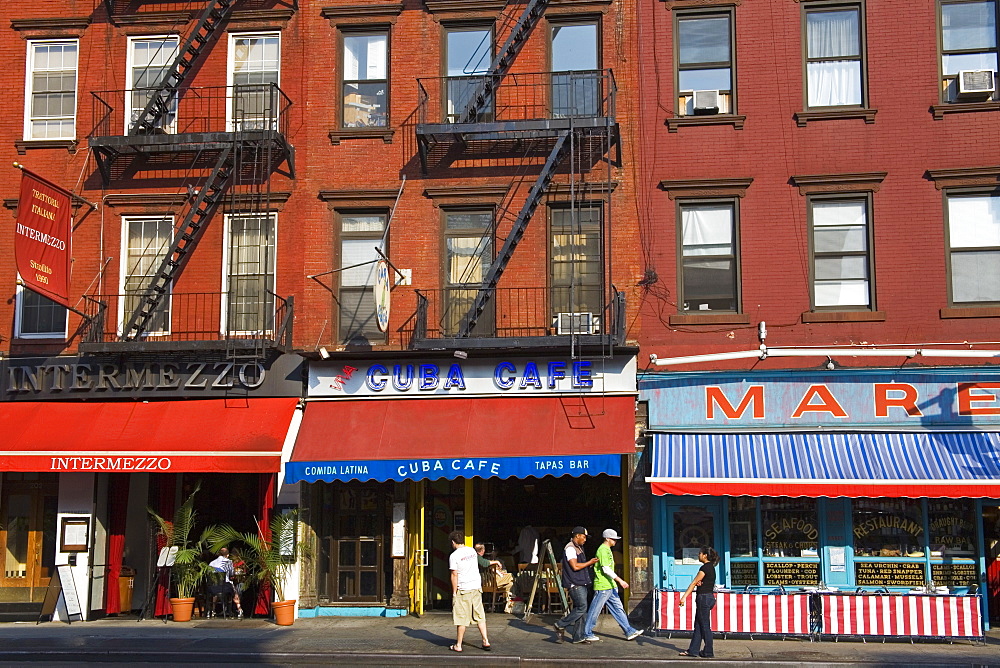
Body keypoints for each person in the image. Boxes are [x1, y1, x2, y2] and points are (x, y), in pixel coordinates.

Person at [582, 529, 643, 642]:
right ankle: (586, 633)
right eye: (614, 539)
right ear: (607, 538)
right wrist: (620, 580)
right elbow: (606, 569)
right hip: (603, 586)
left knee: (618, 609)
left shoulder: (607, 550)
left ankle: (629, 630)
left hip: (609, 585)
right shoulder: (603, 550)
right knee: (595, 610)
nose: (616, 541)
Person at [553, 526, 598, 645]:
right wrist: (589, 562)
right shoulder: (570, 548)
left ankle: (578, 636)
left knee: (581, 610)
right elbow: (575, 566)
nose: (585, 539)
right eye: (584, 537)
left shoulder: (579, 548)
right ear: (577, 536)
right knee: (582, 607)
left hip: (581, 582)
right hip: (575, 583)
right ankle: (560, 624)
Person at [448, 530, 491, 652]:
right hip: (476, 587)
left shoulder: (454, 556)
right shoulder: (472, 551)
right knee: (480, 615)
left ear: (453, 542)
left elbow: (454, 575)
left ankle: (459, 645)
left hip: (464, 589)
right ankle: (485, 640)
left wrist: (454, 592)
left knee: (461, 618)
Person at [678, 546, 720, 658]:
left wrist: (683, 597)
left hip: (703, 598)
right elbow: (702, 582)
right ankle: (693, 650)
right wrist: (699, 583)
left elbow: (693, 583)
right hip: (709, 597)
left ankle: (708, 651)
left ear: (705, 555)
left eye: (700, 553)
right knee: (699, 625)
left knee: (705, 626)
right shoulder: (711, 567)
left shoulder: (705, 568)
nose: (698, 555)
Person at [474, 543, 513, 610]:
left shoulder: (479, 558)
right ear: (483, 550)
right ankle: (508, 602)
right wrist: (496, 562)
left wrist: (498, 572)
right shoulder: (478, 558)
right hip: (488, 583)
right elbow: (485, 563)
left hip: (486, 582)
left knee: (510, 584)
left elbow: (489, 567)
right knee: (511, 576)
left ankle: (506, 602)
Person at [208, 547, 244, 619]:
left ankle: (213, 610)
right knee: (235, 592)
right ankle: (239, 609)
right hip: (225, 587)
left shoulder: (211, 563)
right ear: (227, 555)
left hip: (213, 587)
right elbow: (231, 573)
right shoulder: (228, 562)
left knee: (215, 593)